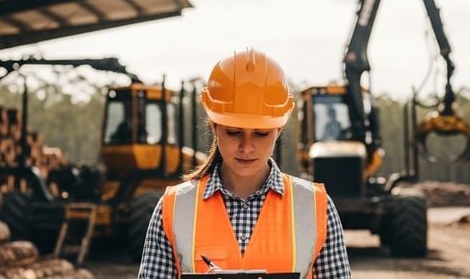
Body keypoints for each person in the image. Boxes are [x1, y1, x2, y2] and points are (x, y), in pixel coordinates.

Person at [137, 49, 351, 278]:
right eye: (233, 132)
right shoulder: (175, 207)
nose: (246, 147)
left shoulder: (315, 206)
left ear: (278, 131)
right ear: (214, 126)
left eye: (260, 134)